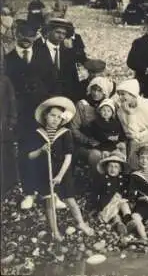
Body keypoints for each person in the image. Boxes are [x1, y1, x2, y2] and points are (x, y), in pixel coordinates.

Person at [5, 22, 61, 209]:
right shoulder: (8, 59)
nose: (27, 39)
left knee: (46, 150)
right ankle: (29, 192)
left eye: (31, 34)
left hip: (42, 112)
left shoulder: (43, 54)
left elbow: (53, 81)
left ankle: (49, 192)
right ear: (15, 34)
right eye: (23, 34)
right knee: (25, 152)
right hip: (21, 116)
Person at [28, 97, 94, 240]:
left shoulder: (65, 133)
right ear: (45, 116)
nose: (55, 119)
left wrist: (60, 176)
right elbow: (30, 156)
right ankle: (55, 230)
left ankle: (81, 223)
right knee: (50, 202)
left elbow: (68, 157)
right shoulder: (38, 133)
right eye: (52, 115)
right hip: (45, 172)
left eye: (59, 117)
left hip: (63, 172)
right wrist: (41, 150)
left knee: (70, 199)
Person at [71, 76, 114, 173]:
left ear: (104, 92)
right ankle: (97, 181)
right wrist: (87, 140)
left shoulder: (109, 105)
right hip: (86, 145)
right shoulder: (82, 104)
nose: (95, 93)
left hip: (107, 144)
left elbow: (115, 126)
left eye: (99, 90)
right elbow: (74, 129)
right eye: (93, 89)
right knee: (96, 156)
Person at [34, 18, 83, 102]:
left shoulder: (69, 53)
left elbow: (73, 79)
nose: (61, 36)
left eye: (64, 34)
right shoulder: (36, 51)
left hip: (65, 99)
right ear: (49, 31)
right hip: (42, 99)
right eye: (58, 32)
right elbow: (34, 79)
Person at [92, 151, 133, 236]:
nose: (113, 169)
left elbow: (126, 192)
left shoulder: (122, 179)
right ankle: (119, 224)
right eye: (110, 166)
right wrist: (97, 209)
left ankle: (128, 221)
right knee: (116, 216)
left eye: (116, 167)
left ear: (120, 169)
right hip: (107, 205)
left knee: (124, 203)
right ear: (106, 167)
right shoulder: (102, 179)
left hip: (119, 204)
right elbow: (95, 194)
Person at [0, 73, 17, 200]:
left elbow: (12, 101)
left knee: (4, 155)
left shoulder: (5, 80)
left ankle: (6, 186)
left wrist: (11, 121)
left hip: (3, 125)